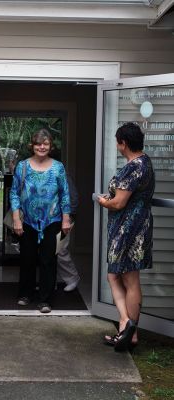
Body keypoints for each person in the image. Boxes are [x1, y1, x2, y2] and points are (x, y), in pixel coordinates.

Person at [97, 122, 155, 351]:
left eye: (118, 142)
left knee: (122, 277)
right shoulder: (146, 162)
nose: (117, 146)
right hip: (140, 226)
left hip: (127, 229)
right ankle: (128, 329)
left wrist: (103, 201)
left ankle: (127, 327)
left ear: (123, 143)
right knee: (125, 277)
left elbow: (119, 203)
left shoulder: (133, 167)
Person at [10, 128, 71, 313]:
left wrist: (66, 220)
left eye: (45, 144)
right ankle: (25, 294)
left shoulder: (58, 167)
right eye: (38, 144)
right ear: (32, 146)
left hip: (52, 221)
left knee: (48, 261)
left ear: (50, 146)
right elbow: (14, 193)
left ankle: (45, 300)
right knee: (27, 259)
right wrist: (16, 219)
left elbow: (65, 194)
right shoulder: (23, 166)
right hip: (27, 221)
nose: (42, 147)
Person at [57, 174, 80, 291]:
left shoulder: (62, 175)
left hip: (64, 218)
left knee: (60, 249)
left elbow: (73, 197)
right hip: (48, 219)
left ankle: (73, 278)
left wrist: (70, 217)